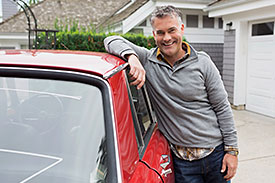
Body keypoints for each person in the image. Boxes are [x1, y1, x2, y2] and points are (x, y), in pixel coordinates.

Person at [104, 5, 238, 183]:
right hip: (183, 163)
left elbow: (222, 108)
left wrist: (232, 151)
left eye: (171, 30)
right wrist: (132, 56)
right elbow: (110, 40)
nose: (166, 38)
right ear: (154, 35)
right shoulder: (148, 61)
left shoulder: (203, 62)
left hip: (215, 155)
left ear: (181, 29)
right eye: (160, 32)